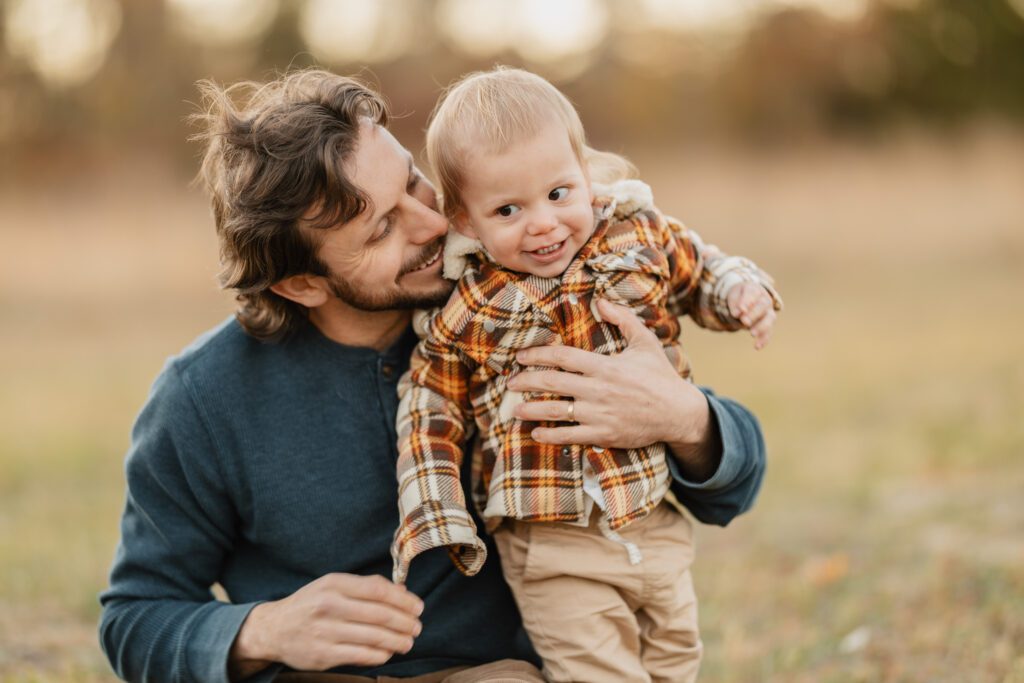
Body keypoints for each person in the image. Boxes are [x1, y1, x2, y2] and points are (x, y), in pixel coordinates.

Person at [98, 68, 768, 683]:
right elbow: (134, 615)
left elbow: (734, 490)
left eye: (414, 181)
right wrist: (262, 630)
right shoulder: (204, 398)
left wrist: (685, 418)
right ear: (302, 283)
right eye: (382, 228)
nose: (431, 223)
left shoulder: (513, 294)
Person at [390, 68, 781, 683]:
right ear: (465, 221)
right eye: (508, 209)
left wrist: (738, 292)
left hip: (649, 513)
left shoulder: (634, 233)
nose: (543, 223)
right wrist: (436, 508)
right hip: (553, 541)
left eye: (558, 193)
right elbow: (429, 405)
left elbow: (699, 267)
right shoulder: (469, 308)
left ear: (584, 173)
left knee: (676, 659)